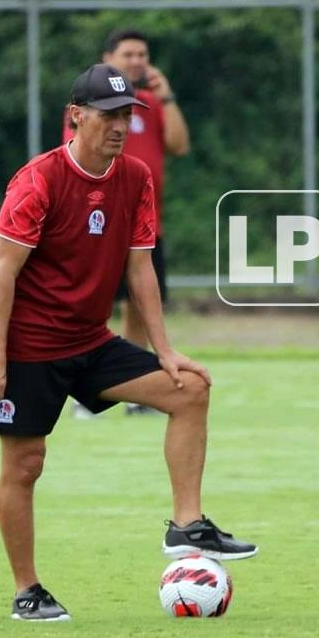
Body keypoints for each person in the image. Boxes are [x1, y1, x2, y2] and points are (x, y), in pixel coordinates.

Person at [0, 63, 255, 622]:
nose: (121, 126)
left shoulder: (135, 178)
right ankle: (26, 590)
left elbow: (141, 270)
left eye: (127, 115)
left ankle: (186, 525)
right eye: (109, 115)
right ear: (75, 117)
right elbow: (1, 272)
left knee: (190, 388)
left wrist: (165, 348)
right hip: (31, 346)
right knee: (25, 465)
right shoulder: (39, 180)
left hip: (91, 341)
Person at [62, 28, 189, 417]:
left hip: (147, 225)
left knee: (140, 304)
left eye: (143, 55)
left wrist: (166, 96)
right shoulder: (88, 107)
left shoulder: (148, 104)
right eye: (128, 54)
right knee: (95, 305)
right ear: (108, 58)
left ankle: (134, 392)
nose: (137, 61)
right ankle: (88, 388)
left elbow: (180, 145)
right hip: (99, 224)